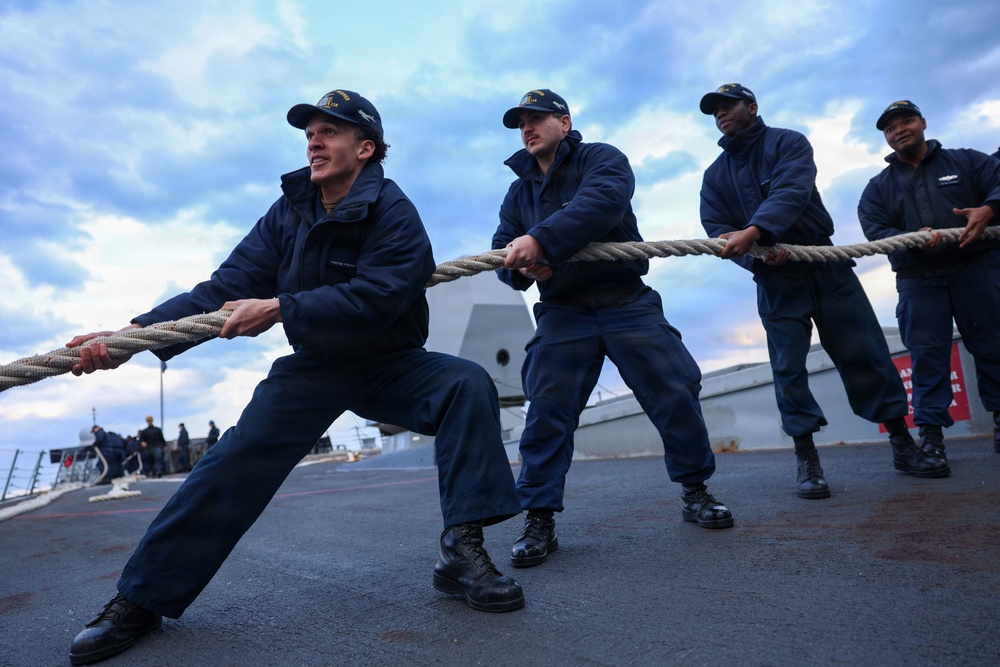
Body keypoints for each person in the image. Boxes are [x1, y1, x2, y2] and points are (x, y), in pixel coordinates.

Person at [65, 89, 525, 666]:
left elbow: (380, 297)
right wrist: (132, 334)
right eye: (309, 132)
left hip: (390, 362)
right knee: (232, 461)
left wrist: (283, 307)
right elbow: (223, 289)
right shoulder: (290, 209)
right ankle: (140, 600)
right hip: (314, 367)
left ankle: (463, 551)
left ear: (366, 148)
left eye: (328, 131)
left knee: (466, 383)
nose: (313, 140)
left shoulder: (396, 211)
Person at [492, 88, 733, 569]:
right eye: (521, 122)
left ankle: (696, 491)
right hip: (564, 310)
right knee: (547, 413)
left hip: (626, 301)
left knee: (674, 391)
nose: (527, 127)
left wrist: (541, 240)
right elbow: (502, 250)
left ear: (564, 121)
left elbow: (601, 204)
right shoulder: (518, 192)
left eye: (537, 118)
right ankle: (539, 518)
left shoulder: (602, 159)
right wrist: (522, 270)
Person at [697, 84, 949, 499]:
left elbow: (792, 191)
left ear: (752, 107)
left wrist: (759, 231)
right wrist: (756, 256)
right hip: (775, 280)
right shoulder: (714, 175)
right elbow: (715, 230)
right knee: (788, 370)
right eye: (715, 110)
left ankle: (903, 445)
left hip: (824, 264)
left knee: (866, 353)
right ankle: (807, 459)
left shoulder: (788, 142)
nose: (721, 114)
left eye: (728, 106)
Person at [858, 100, 1000, 459]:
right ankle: (932, 437)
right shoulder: (877, 188)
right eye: (891, 128)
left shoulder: (967, 161)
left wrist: (990, 208)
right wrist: (913, 241)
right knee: (926, 357)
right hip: (918, 279)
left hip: (977, 269)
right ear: (886, 138)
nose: (899, 130)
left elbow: (997, 183)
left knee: (994, 345)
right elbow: (877, 232)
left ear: (922, 122)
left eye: (906, 121)